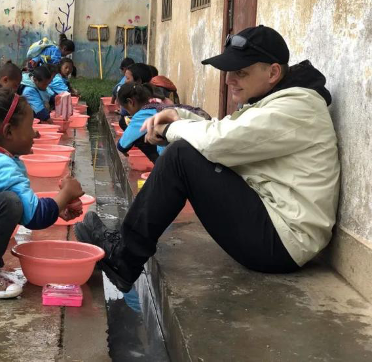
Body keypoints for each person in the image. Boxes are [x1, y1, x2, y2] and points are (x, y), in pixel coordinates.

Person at [75, 25, 341, 293]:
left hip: (282, 243)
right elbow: (227, 132)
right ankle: (125, 249)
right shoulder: (276, 100)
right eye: (229, 72)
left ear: (272, 72)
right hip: (275, 229)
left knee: (181, 156)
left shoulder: (295, 107)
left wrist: (170, 129)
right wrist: (179, 117)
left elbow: (219, 141)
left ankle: (124, 257)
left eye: (241, 72)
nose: (229, 80)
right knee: (187, 151)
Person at [0, 86, 85, 298]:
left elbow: (29, 207)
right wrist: (66, 193)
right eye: (30, 127)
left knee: (12, 202)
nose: (35, 133)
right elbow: (35, 217)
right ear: (9, 132)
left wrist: (57, 207)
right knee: (9, 203)